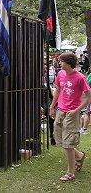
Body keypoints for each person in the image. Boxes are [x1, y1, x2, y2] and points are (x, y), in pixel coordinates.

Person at [50, 52, 91, 182]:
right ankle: (78, 155)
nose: (59, 63)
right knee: (60, 139)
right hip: (60, 110)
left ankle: (70, 173)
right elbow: (57, 90)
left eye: (61, 61)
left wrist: (77, 110)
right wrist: (52, 106)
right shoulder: (60, 74)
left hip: (72, 113)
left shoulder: (80, 78)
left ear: (68, 63)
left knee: (68, 143)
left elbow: (89, 97)